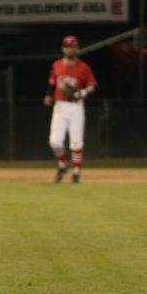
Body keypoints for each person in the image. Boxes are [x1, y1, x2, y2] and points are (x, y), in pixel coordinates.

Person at [43, 35, 97, 183]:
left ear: (77, 48)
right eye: (67, 46)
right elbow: (52, 82)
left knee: (76, 142)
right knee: (55, 141)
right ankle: (62, 164)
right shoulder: (57, 65)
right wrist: (48, 95)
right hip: (60, 105)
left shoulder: (84, 67)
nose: (70, 49)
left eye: (73, 46)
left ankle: (76, 172)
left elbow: (92, 84)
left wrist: (82, 93)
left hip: (76, 106)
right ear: (63, 48)